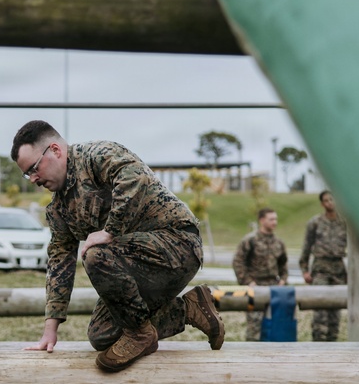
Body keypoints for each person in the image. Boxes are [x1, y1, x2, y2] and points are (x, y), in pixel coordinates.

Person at [11, 121, 225, 371]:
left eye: (34, 168)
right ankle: (190, 308)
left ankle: (140, 335)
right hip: (135, 269)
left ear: (55, 150)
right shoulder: (59, 208)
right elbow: (60, 261)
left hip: (177, 245)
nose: (33, 179)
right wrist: (50, 329)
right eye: (27, 174)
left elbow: (135, 177)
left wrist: (110, 231)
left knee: (96, 254)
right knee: (102, 335)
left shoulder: (97, 155)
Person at [300, 189, 347, 342]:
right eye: (326, 200)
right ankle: (318, 341)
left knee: (336, 309)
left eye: (332, 200)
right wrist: (305, 270)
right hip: (321, 268)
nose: (330, 203)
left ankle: (332, 340)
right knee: (320, 307)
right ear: (322, 204)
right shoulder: (315, 222)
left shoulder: (344, 222)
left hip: (338, 268)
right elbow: (306, 247)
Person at [233, 208, 288, 339]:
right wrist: (248, 282)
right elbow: (238, 262)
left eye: (276, 219)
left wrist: (283, 280)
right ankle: (252, 351)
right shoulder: (250, 240)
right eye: (271, 219)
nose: (275, 222)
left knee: (274, 326)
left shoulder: (279, 243)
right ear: (262, 220)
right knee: (254, 327)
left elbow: (283, 264)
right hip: (255, 288)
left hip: (274, 288)